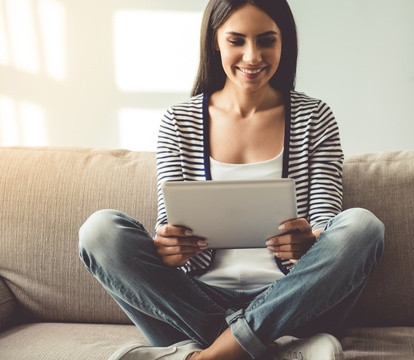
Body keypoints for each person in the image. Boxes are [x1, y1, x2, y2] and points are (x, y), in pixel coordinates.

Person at [78, 0, 384, 359]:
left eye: (267, 41)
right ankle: (268, 350)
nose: (252, 56)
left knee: (364, 226)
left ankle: (209, 355)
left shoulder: (314, 117)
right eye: (237, 40)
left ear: (284, 42)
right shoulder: (179, 122)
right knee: (99, 231)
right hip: (197, 306)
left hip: (292, 302)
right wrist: (172, 250)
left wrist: (310, 242)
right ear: (215, 42)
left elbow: (325, 223)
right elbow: (173, 232)